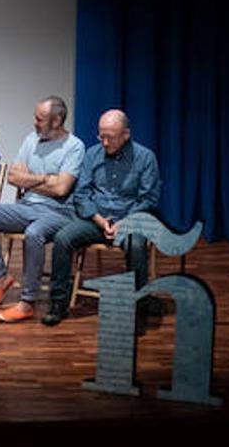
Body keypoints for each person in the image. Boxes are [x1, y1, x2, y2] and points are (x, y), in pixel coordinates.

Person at [0, 96, 85, 322]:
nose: (34, 122)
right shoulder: (31, 139)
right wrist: (44, 178)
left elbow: (62, 189)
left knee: (34, 233)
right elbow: (13, 176)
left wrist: (32, 180)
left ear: (57, 120)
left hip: (59, 212)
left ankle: (27, 302)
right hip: (26, 206)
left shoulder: (74, 146)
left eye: (40, 119)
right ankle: (0, 277)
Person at [42, 109, 161, 326]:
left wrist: (124, 222)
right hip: (96, 220)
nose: (105, 142)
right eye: (101, 136)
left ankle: (136, 306)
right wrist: (98, 219)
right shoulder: (92, 154)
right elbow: (82, 194)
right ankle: (58, 302)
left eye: (111, 137)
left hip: (129, 221)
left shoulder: (145, 158)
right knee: (62, 239)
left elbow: (148, 199)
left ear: (126, 134)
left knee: (136, 247)